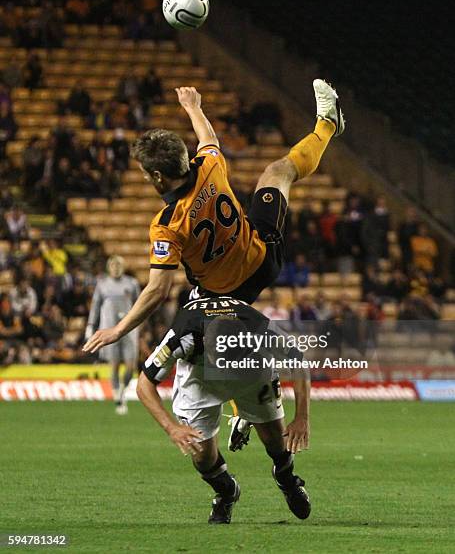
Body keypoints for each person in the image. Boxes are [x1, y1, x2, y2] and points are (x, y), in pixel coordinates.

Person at [83, 79, 345, 354]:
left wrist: (118, 329)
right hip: (262, 258)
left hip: (227, 297)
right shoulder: (209, 165)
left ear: (158, 177)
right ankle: (327, 124)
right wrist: (192, 107)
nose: (145, 176)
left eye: (145, 172)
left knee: (206, 364)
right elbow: (208, 138)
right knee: (279, 172)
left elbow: (158, 290)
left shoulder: (167, 225)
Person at [136, 294, 311, 524]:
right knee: (202, 456)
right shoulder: (183, 335)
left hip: (250, 371)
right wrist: (171, 428)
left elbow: (299, 362)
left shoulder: (258, 327)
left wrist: (301, 418)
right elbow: (144, 384)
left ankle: (286, 480)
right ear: (207, 346)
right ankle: (227, 492)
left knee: (277, 441)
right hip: (199, 379)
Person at [85, 256, 140, 415]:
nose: (116, 268)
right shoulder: (102, 285)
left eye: (118, 265)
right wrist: (90, 325)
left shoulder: (132, 283)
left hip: (128, 329)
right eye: (113, 265)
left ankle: (123, 387)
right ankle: (117, 393)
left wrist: (140, 324)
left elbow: (140, 304)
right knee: (114, 364)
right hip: (109, 329)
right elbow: (95, 306)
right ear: (109, 268)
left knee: (131, 366)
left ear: (123, 267)